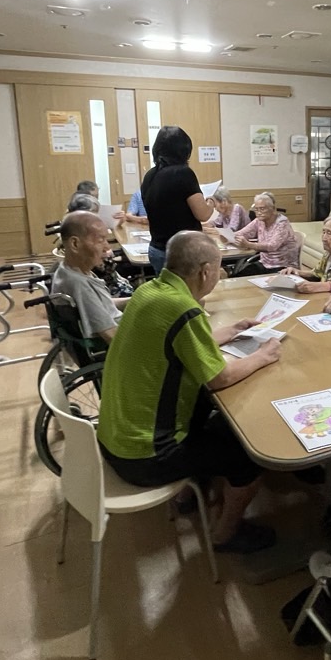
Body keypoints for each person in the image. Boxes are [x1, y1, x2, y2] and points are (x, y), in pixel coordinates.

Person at [98, 231, 281, 553]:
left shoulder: (149, 291)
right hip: (145, 456)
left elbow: (177, 341)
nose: (220, 274)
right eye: (219, 268)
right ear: (205, 271)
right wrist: (263, 356)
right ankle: (225, 535)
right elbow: (220, 378)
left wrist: (231, 331)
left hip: (114, 439)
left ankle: (186, 496)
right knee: (249, 458)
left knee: (209, 417)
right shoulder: (184, 309)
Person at [140, 126, 213, 274]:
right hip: (183, 251)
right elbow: (203, 214)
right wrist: (211, 203)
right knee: (186, 289)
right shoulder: (183, 173)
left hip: (156, 248)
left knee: (166, 288)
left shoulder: (149, 176)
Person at [50, 212, 128, 346]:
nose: (107, 248)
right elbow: (111, 336)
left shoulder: (67, 270)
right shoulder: (79, 284)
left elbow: (100, 305)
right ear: (75, 244)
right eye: (100, 240)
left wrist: (136, 300)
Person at [233, 192, 300, 275]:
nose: (258, 212)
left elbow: (272, 246)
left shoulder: (282, 223)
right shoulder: (259, 221)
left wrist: (248, 244)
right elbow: (243, 233)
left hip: (283, 266)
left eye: (262, 209)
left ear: (273, 209)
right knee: (237, 276)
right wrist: (227, 236)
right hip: (264, 263)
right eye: (256, 209)